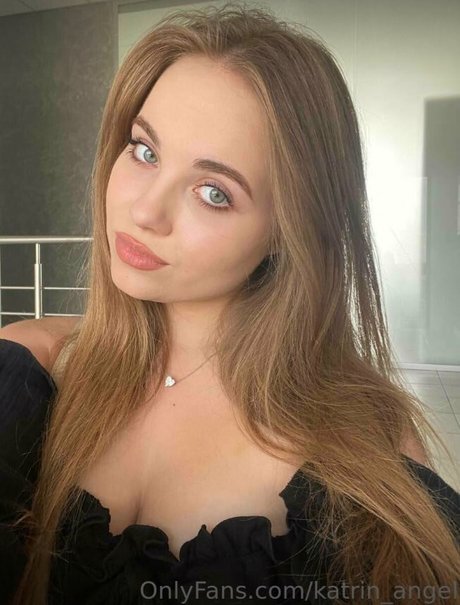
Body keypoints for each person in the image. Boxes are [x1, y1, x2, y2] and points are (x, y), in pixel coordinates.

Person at [1, 3, 459, 604]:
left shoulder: (362, 453)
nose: (145, 210)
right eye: (144, 151)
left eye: (214, 192)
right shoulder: (28, 369)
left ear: (287, 230)